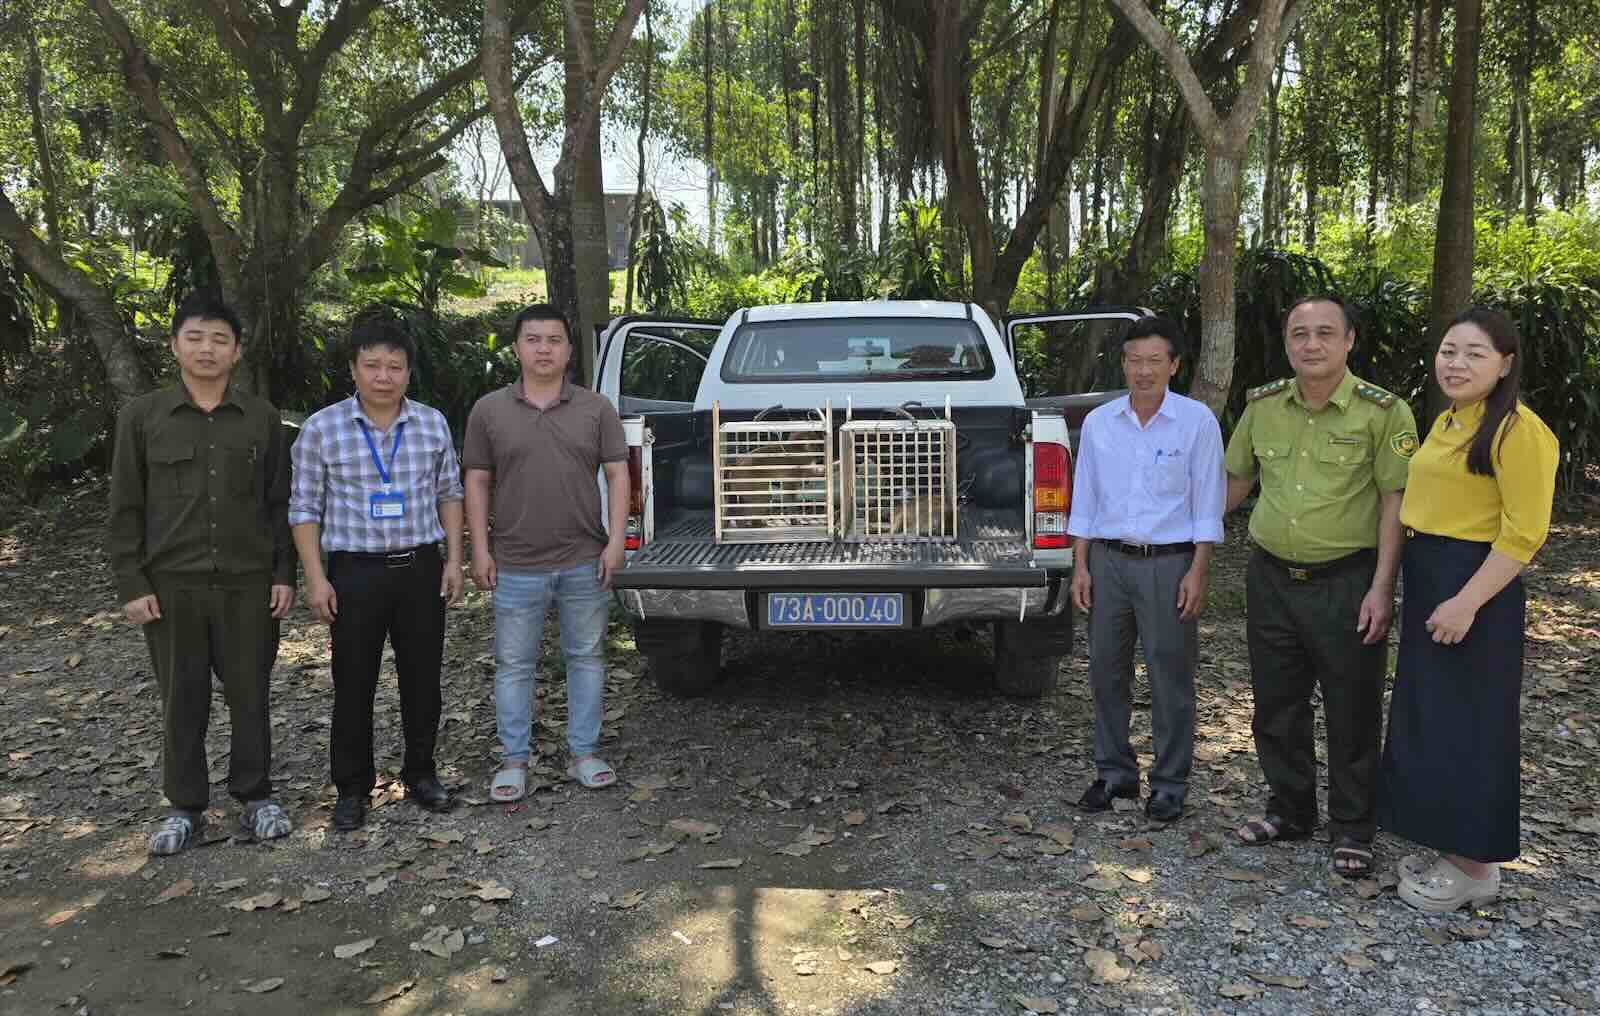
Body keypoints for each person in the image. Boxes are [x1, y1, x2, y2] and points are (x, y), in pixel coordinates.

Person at [1224, 296, 1417, 878]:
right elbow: (1233, 484)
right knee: (1276, 703)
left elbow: (1394, 506)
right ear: (1287, 341)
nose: (1311, 344)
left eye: (1325, 333)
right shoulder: (1262, 407)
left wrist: (1382, 588)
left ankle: (1354, 826)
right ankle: (1289, 810)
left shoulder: (1383, 413)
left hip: (1346, 581)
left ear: (1349, 340)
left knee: (1351, 706)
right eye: (1299, 333)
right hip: (1271, 578)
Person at [1378, 307, 1558, 912]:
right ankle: (1449, 848)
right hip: (1434, 576)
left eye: (1475, 354)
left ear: (1504, 364)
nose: (1456, 364)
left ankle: (1477, 867)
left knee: (1473, 725)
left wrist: (1467, 601)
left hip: (1475, 587)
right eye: (1449, 350)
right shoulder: (1453, 420)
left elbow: (1524, 533)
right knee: (1435, 718)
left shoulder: (1518, 430)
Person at [108, 293, 295, 855]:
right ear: (175, 346)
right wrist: (132, 583)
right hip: (173, 587)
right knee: (181, 698)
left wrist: (284, 574)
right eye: (195, 337)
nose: (207, 348)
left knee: (250, 694)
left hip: (248, 584)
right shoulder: (142, 418)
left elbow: (278, 504)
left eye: (219, 339)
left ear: (236, 352)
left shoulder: (260, 418)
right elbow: (125, 508)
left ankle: (256, 797)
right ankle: (185, 807)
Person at [289, 309, 465, 830]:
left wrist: (455, 559)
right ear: (353, 369)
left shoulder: (430, 422)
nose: (383, 377)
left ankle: (421, 772)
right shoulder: (322, 430)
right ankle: (351, 787)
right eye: (372, 366)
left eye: (394, 367)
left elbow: (449, 494)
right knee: (353, 681)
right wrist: (316, 577)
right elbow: (304, 509)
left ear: (409, 373)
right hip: (354, 573)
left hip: (420, 569)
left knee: (422, 679)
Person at [464, 304, 629, 800]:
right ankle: (514, 760)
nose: (543, 348)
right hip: (514, 562)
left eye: (553, 340)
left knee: (586, 658)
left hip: (584, 556)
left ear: (569, 350)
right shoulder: (488, 410)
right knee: (514, 665)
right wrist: (480, 548)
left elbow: (620, 475)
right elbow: (475, 480)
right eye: (532, 339)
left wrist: (617, 540)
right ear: (516, 348)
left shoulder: (596, 408)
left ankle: (585, 752)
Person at [1067, 316, 1225, 824]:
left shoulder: (1196, 421)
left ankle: (1171, 783)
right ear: (1123, 364)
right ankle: (1114, 773)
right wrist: (1080, 566)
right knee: (1105, 673)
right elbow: (1085, 497)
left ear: (1174, 365)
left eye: (1155, 361)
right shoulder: (1100, 422)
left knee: (1169, 676)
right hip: (1108, 562)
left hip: (1169, 563)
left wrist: (1198, 570)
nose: (1144, 371)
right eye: (1135, 360)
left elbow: (1208, 502)